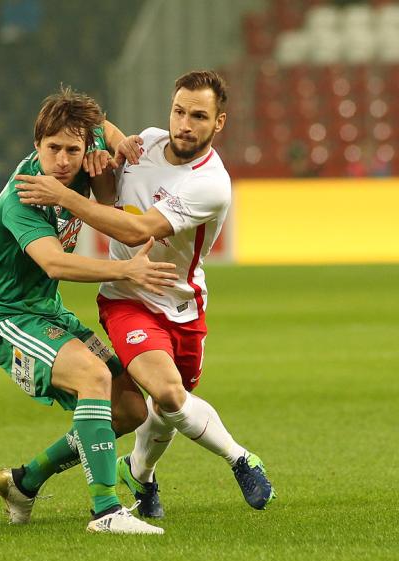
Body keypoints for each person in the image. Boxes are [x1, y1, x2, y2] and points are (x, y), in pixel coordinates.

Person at [14, 70, 275, 518]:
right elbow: (97, 129)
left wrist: (65, 196)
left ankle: (140, 473)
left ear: (219, 122)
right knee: (168, 393)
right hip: (126, 297)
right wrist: (106, 151)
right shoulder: (147, 143)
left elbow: (137, 230)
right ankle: (240, 458)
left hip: (182, 301)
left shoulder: (210, 183)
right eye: (179, 111)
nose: (184, 125)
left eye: (198, 116)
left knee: (166, 407)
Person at [0, 86, 178, 535]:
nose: (63, 160)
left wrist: (118, 141)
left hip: (46, 310)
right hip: (7, 318)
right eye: (53, 148)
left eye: (72, 150)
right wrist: (127, 271)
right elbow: (54, 263)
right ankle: (106, 511)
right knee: (94, 376)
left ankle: (25, 482)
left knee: (130, 409)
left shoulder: (86, 149)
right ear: (36, 144)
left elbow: (101, 124)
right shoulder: (24, 195)